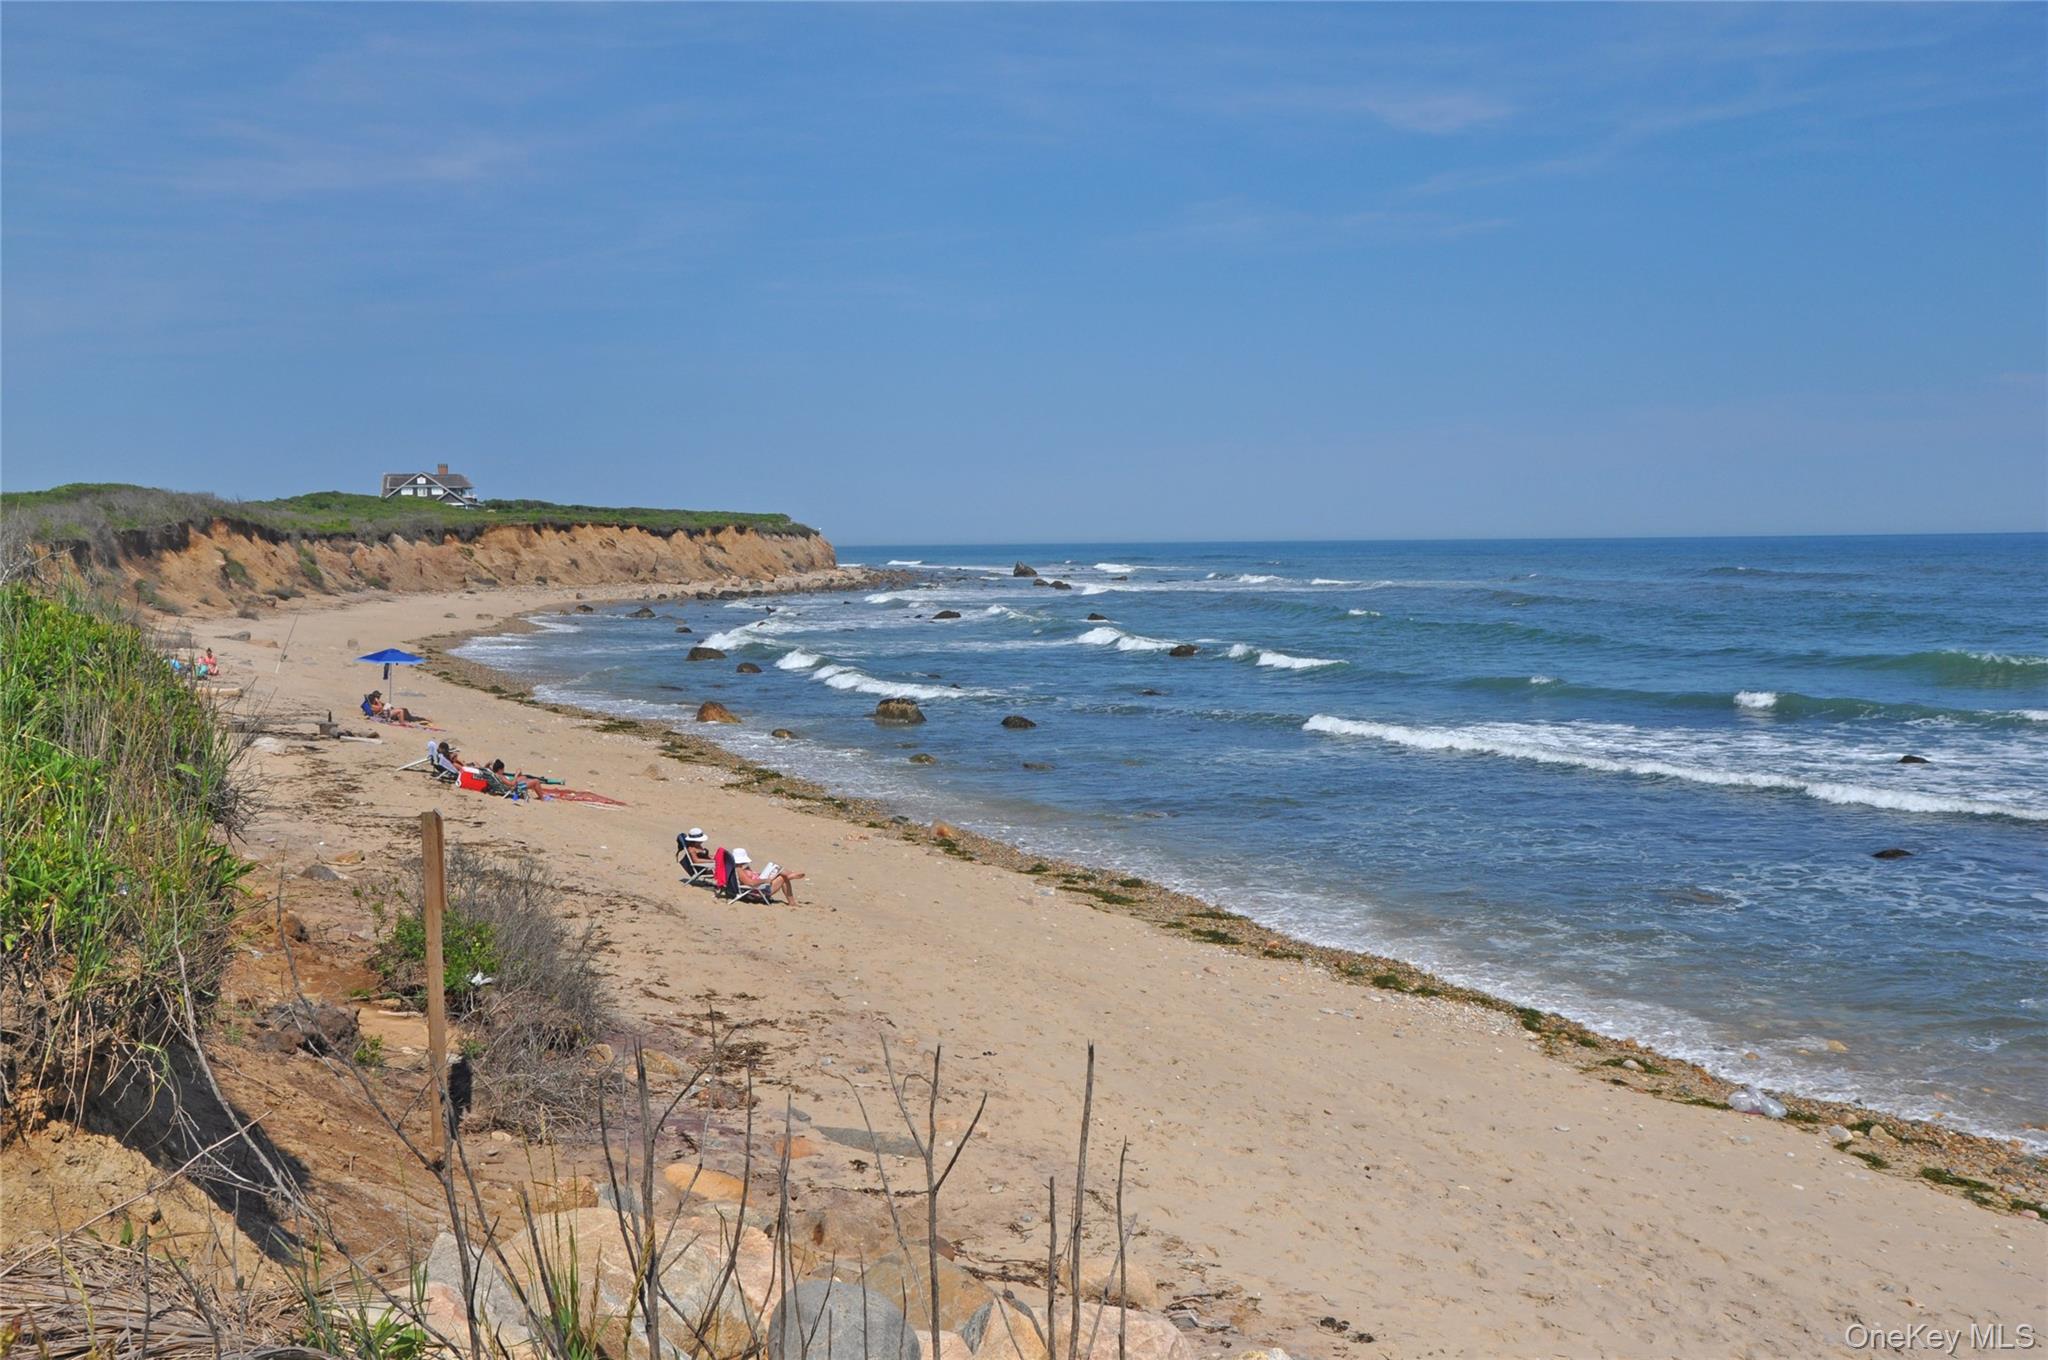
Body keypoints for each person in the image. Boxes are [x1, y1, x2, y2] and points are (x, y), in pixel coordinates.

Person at [730, 848, 804, 905]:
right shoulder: (739, 870)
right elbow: (751, 883)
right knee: (783, 878)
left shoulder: (732, 868)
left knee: (775, 868)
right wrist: (765, 880)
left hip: (750, 889)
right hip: (756, 893)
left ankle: (789, 874)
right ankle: (792, 902)